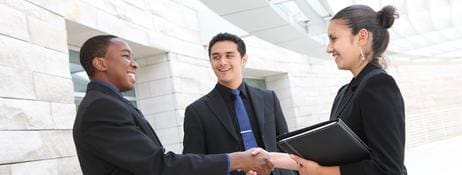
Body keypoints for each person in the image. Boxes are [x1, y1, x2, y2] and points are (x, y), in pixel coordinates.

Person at [72, 35, 274, 175]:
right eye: (126, 56)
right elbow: (158, 165)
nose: (135, 63)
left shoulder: (110, 104)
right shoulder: (101, 108)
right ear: (100, 64)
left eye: (230, 55)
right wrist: (237, 160)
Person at [274, 4, 407, 175]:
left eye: (333, 38)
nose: (328, 48)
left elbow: (388, 169)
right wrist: (271, 159)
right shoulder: (345, 92)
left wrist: (321, 172)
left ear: (362, 37)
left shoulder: (379, 85)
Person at [182, 33, 295, 175]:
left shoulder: (268, 98)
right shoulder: (197, 111)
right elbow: (194, 164)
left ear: (243, 59)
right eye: (216, 57)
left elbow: (285, 145)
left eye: (229, 56)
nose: (222, 62)